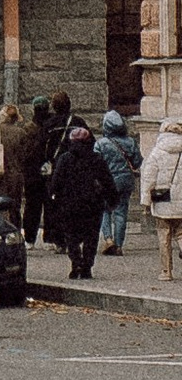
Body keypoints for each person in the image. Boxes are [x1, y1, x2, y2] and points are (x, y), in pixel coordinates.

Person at [44, 119, 114, 282]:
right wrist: (111, 199)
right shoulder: (96, 159)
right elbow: (107, 181)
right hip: (92, 204)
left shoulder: (64, 159)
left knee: (71, 236)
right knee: (91, 236)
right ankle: (87, 266)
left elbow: (55, 183)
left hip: (69, 205)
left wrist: (53, 197)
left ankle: (76, 264)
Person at [24, 90, 73, 244]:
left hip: (34, 172)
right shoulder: (60, 123)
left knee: (32, 207)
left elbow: (30, 151)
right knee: (51, 205)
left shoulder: (29, 128)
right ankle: (50, 238)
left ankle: (30, 238)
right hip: (55, 170)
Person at [98, 105, 141, 256]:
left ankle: (108, 239)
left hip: (107, 181)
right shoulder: (130, 142)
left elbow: (95, 163)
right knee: (121, 212)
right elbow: (137, 162)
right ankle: (119, 245)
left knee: (105, 210)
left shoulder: (101, 143)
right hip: (126, 180)